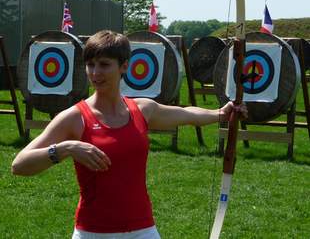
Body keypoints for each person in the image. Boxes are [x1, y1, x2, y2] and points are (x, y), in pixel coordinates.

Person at [11, 30, 247, 239]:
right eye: (90, 64)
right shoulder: (75, 117)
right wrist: (66, 148)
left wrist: (220, 113)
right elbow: (19, 165)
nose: (95, 73)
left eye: (104, 64)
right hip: (92, 232)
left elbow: (187, 115)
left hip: (142, 228)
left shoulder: (142, 110)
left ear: (124, 66)